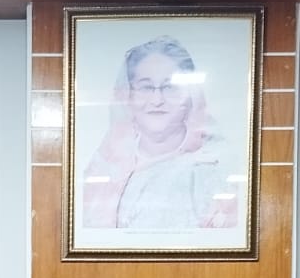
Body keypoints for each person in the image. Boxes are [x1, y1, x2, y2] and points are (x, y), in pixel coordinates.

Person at [81, 35, 239, 231]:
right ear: (129, 95)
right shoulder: (104, 166)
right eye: (146, 87)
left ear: (189, 95)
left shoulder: (213, 169)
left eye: (169, 87)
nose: (157, 100)